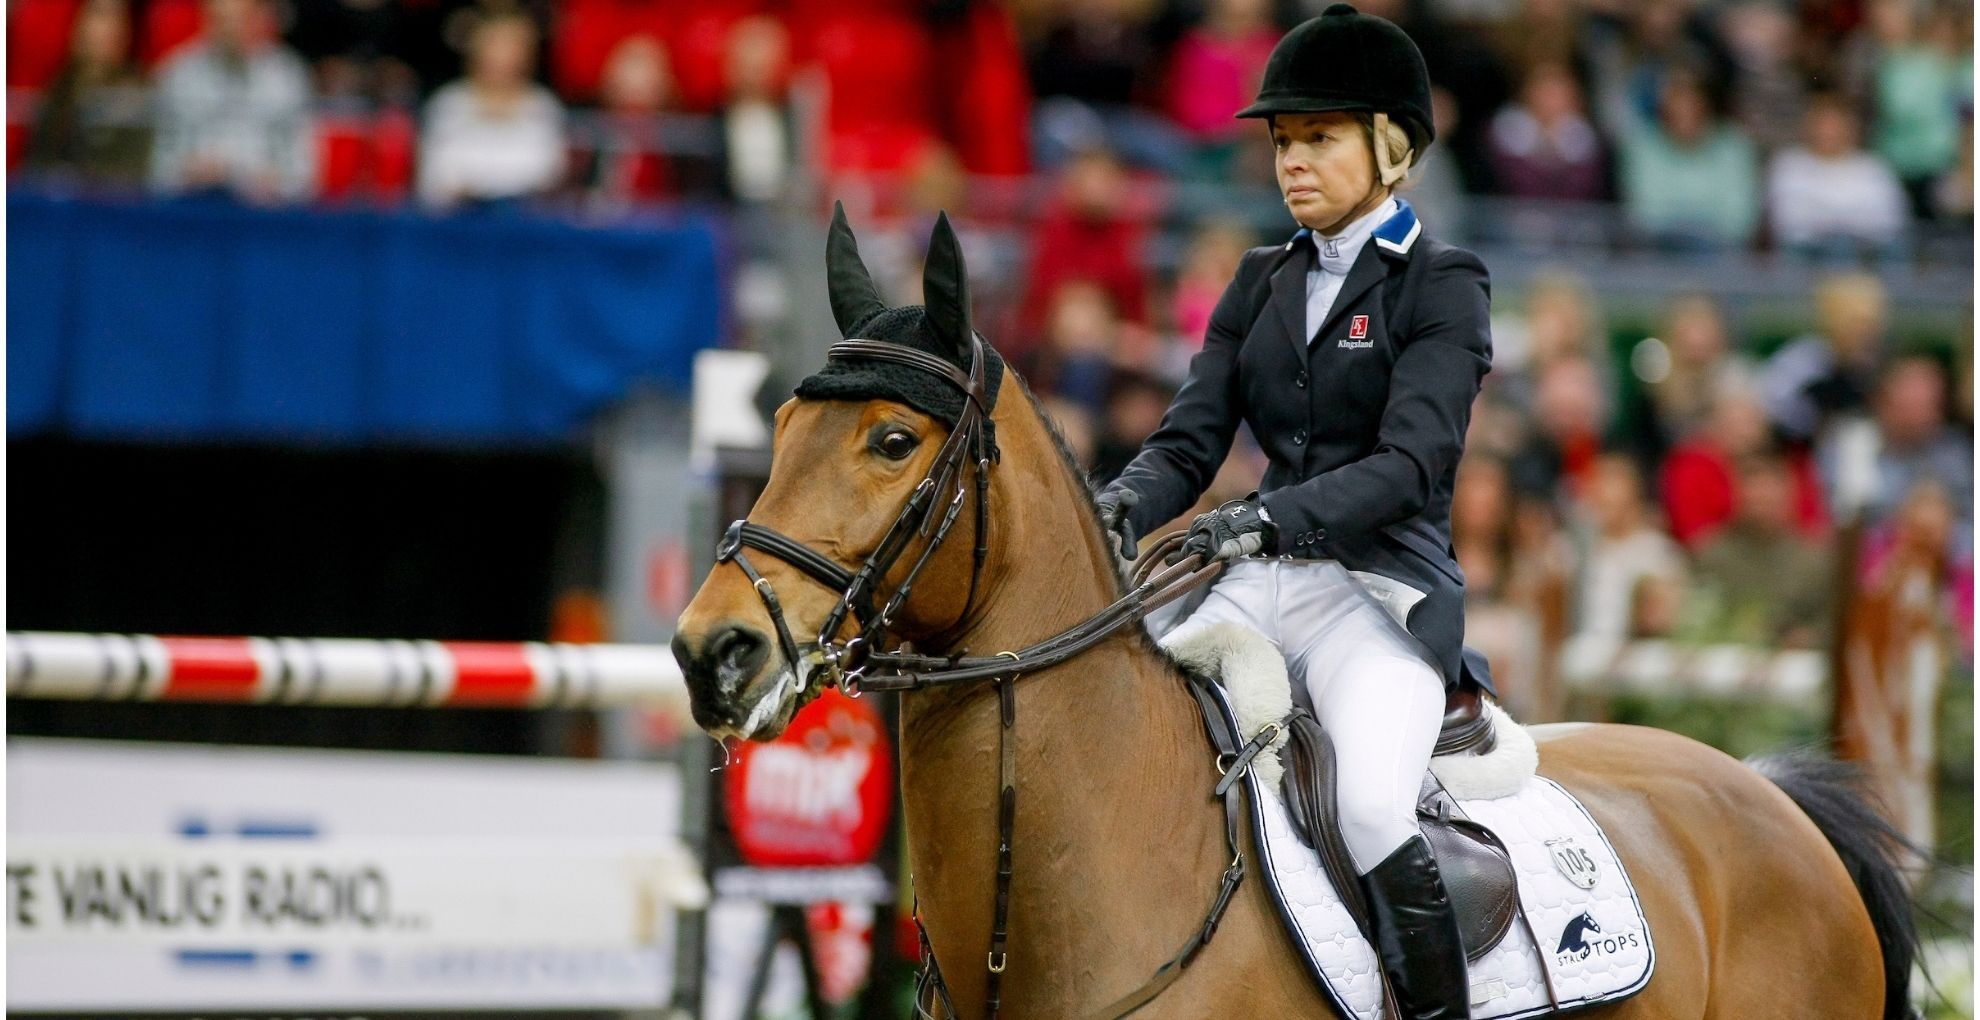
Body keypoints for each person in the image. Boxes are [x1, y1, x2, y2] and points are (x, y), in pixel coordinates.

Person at [1095, 7, 1488, 1015]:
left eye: (1319, 137)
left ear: (1389, 144)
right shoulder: (1259, 278)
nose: (1292, 161)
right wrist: (1118, 508)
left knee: (1365, 805)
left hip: (1376, 597)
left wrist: (1265, 520)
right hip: (1256, 586)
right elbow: (1188, 443)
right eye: (1282, 141)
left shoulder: (1441, 283)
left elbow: (1411, 465)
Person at [149, 0, 315, 203]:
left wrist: (270, 182)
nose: (228, 32)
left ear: (255, 19)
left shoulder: (287, 76)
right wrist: (189, 173)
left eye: (237, 20)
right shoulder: (179, 73)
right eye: (220, 21)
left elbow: (304, 175)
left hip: (265, 215)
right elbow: (159, 172)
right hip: (195, 210)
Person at [416, 10, 566, 210]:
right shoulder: (449, 103)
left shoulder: (543, 106)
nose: (502, 60)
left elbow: (549, 175)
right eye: (495, 47)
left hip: (524, 223)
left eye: (513, 50)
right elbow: (436, 177)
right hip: (457, 221)